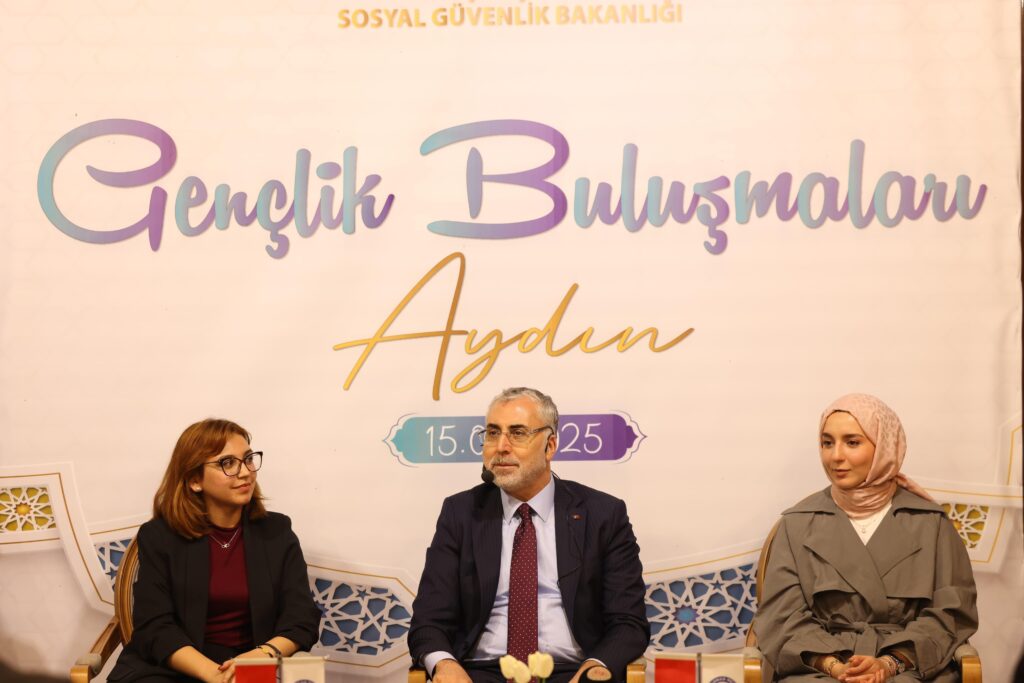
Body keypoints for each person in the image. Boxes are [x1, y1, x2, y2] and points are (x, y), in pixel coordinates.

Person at [408, 387, 649, 683]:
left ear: (550, 446)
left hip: (572, 672)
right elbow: (429, 622)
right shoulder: (461, 513)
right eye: (492, 433)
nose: (501, 447)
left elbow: (628, 622)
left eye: (518, 433)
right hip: (481, 673)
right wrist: (445, 665)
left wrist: (594, 669)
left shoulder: (603, 515)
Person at [753, 394, 978, 682]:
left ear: (884, 446)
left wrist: (889, 663)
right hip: (818, 669)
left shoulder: (931, 523)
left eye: (852, 442)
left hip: (910, 666)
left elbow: (952, 612)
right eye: (827, 443)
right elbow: (781, 618)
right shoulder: (796, 524)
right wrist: (835, 666)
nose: (836, 456)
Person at [108, 419, 321, 682]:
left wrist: (262, 655)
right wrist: (214, 675)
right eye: (227, 463)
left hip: (251, 664)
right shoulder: (159, 537)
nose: (245, 472)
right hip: (173, 667)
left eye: (248, 459)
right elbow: (154, 625)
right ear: (194, 480)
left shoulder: (277, 532)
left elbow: (301, 618)